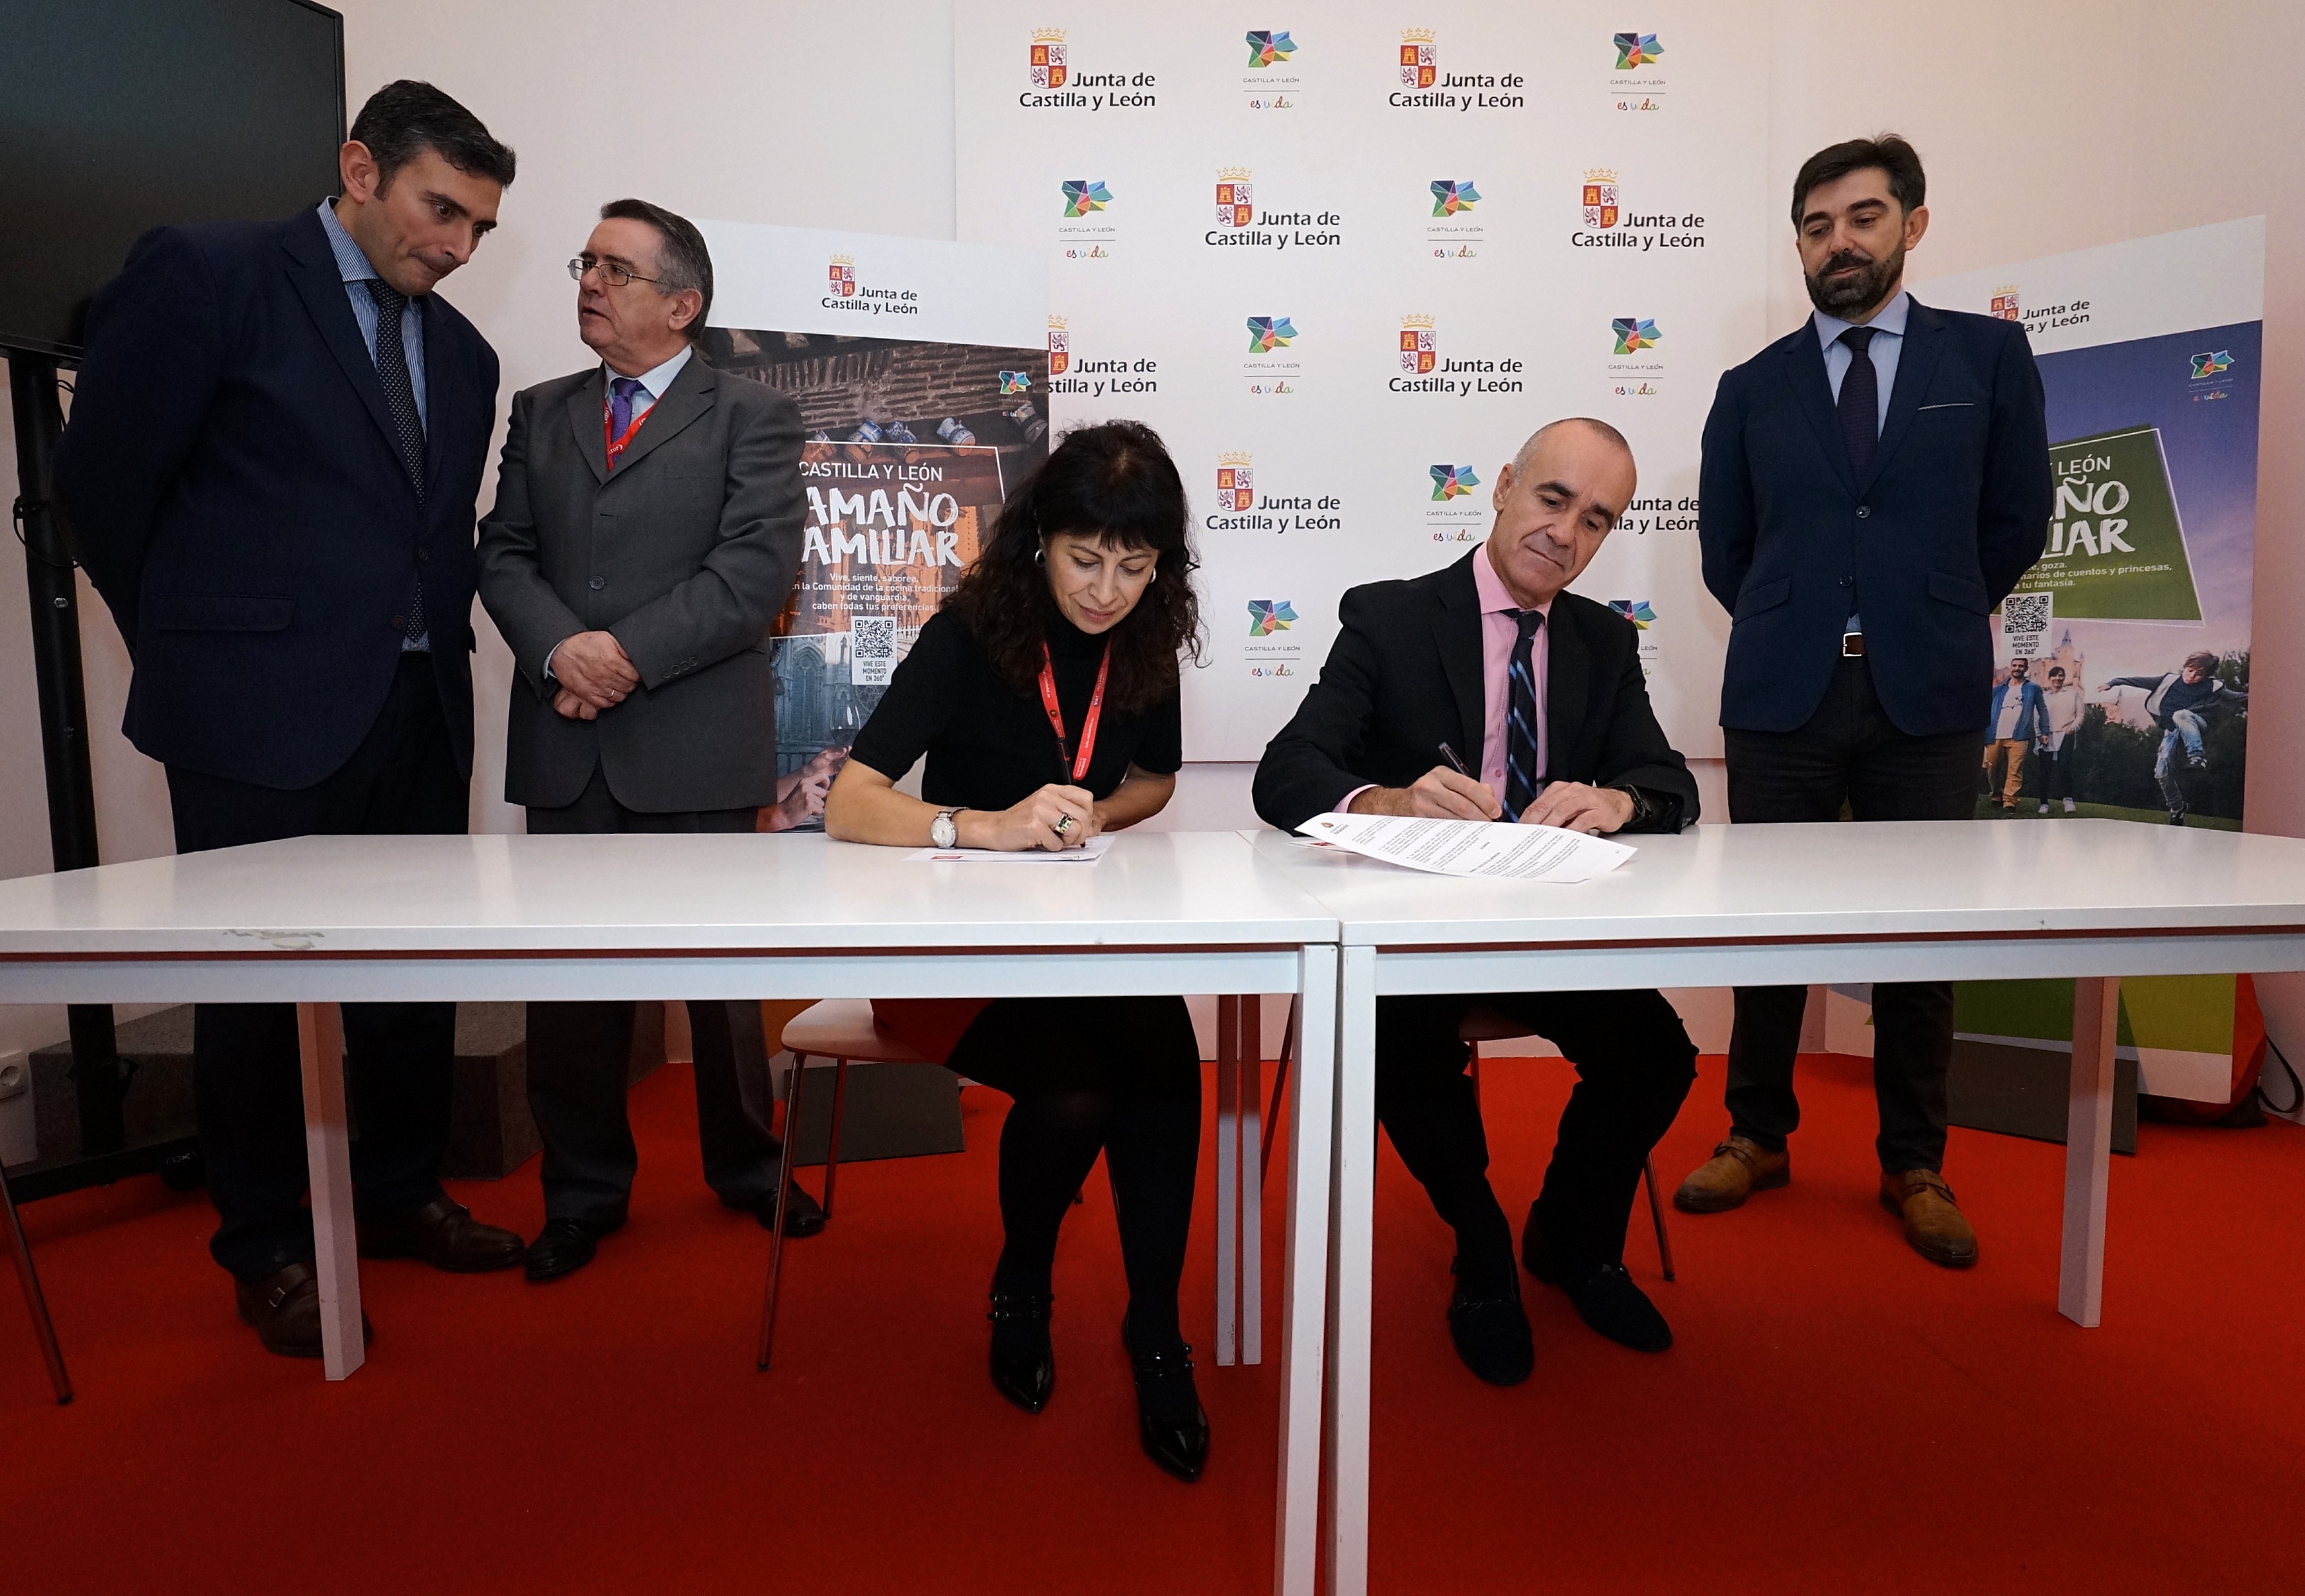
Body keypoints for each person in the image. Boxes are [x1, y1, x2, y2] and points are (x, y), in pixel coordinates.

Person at [51, 83, 528, 1355]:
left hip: (420, 709)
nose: (458, 247)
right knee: (254, 988)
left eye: (479, 228)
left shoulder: (467, 356)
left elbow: (426, 537)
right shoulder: (211, 275)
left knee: (412, 972)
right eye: (441, 210)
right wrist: (195, 645)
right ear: (360, 170)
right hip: (250, 716)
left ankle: (399, 1191)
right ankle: (263, 1245)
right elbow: (101, 481)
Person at [1255, 419, 1700, 1384]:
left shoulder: (1602, 639)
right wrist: (1386, 800)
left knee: (1658, 1058)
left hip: (1550, 933)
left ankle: (1571, 1237)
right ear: (1502, 487)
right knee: (1403, 1055)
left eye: (1595, 520)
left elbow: (1668, 780)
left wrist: (1620, 800)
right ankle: (1482, 1247)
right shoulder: (1390, 618)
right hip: (1413, 938)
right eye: (1552, 499)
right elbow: (1284, 772)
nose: (1565, 534)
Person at [825, 421, 1211, 1481]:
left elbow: (1155, 780)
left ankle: (1156, 1331)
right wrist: (981, 828)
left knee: (1167, 1071)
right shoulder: (968, 633)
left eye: (1135, 567)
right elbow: (852, 802)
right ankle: (1022, 1286)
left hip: (1080, 943)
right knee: (1078, 1093)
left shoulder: (1145, 641)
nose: (1106, 591)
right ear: (1040, 538)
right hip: (954, 955)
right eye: (1085, 560)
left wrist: (1096, 813)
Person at [1691, 133, 2050, 1268]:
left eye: (1861, 217)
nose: (1837, 243)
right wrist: (1798, 621)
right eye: (1815, 227)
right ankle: (1757, 1135)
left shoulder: (1987, 357)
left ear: (1912, 224)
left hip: (1926, 691)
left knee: (1919, 937)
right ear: (1797, 245)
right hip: (1781, 694)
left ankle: (1914, 1162)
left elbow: (2018, 517)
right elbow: (1726, 548)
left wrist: (1928, 611)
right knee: (1766, 933)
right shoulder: (1750, 388)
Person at [475, 200, 812, 1282]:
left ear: (682, 304)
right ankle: (581, 1195)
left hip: (695, 738)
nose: (589, 281)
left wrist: (617, 656)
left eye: (616, 269)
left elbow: (753, 573)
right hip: (567, 741)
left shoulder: (752, 415)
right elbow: (502, 554)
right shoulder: (540, 410)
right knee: (571, 989)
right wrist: (559, 651)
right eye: (587, 263)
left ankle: (750, 1168)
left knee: (723, 989)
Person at [2100, 651, 2246, 825]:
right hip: (2172, 732)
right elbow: (2137, 681)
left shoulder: (2212, 686)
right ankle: (2177, 808)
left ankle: (2197, 756)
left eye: (2199, 675)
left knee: (2181, 715)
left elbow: (2236, 697)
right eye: (2190, 671)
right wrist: (2113, 683)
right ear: (2186, 667)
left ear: (2206, 676)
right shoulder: (2168, 681)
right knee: (2161, 773)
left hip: (2197, 724)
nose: (2192, 677)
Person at [1983, 657, 2046, 812]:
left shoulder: (2033, 689)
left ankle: (2010, 801)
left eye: (2021, 666)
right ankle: (1997, 795)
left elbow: (2042, 710)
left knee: (2015, 770)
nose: (2017, 668)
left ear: (2026, 668)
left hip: (2019, 735)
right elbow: (1985, 709)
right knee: (1992, 769)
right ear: (2010, 667)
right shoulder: (1998, 689)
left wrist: (2044, 731)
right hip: (1995, 734)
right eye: (2015, 665)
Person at [2035, 663, 2084, 814]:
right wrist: (2040, 734)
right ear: (2050, 678)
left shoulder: (2073, 694)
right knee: (2045, 771)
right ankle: (2044, 803)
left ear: (2064, 678)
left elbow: (2080, 715)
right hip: (2046, 736)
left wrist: (2073, 728)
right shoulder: (2043, 697)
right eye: (2055, 676)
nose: (2058, 678)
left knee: (2065, 769)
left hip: (2065, 734)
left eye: (2061, 676)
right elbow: (2037, 717)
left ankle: (2068, 800)